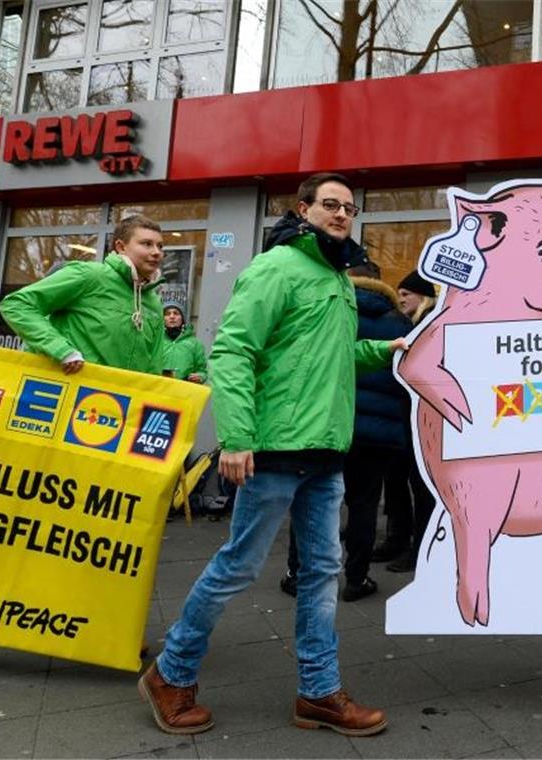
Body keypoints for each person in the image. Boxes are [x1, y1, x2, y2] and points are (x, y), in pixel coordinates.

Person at [138, 173, 406, 737]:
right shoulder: (276, 267)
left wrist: (385, 349)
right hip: (275, 450)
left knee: (321, 573)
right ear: (302, 209)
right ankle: (172, 672)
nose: (341, 214)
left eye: (350, 207)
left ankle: (319, 692)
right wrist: (236, 437)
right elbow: (233, 351)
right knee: (238, 565)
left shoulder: (337, 277)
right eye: (330, 204)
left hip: (325, 451)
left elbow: (336, 355)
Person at [0, 214, 167, 666]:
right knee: (31, 524)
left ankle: (109, 625)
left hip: (118, 432)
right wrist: (62, 349)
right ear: (120, 247)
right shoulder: (89, 275)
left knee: (107, 533)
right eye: (147, 243)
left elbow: (150, 370)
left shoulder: (153, 303)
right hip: (67, 423)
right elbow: (19, 305)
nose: (157, 252)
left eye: (160, 245)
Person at [280, 260, 413, 601]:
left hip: (327, 424)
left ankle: (297, 574)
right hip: (377, 432)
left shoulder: (330, 311)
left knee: (310, 500)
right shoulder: (400, 323)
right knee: (364, 505)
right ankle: (356, 578)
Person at [375, 270, 438, 573]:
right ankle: (410, 544)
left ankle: (420, 550)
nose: (401, 298)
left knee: (422, 487)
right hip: (410, 419)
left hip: (422, 421)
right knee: (407, 482)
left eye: (407, 293)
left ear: (423, 296)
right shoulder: (412, 324)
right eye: (398, 293)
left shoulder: (426, 325)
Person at [161, 302, 208, 383]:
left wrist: (200, 376)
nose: (172, 317)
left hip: (184, 391)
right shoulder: (157, 342)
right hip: (159, 389)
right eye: (167, 314)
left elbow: (202, 371)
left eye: (176, 313)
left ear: (182, 318)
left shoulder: (194, 344)